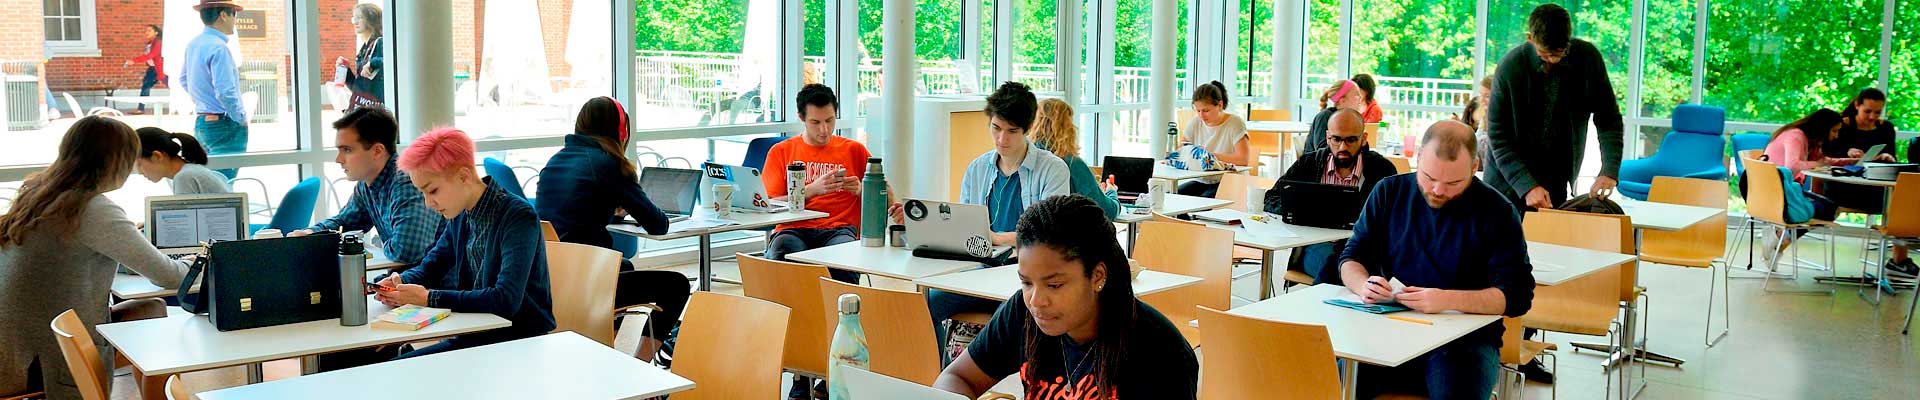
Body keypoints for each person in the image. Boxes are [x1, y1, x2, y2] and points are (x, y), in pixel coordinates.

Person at [1339, 120, 1534, 399]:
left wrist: (1447, 300)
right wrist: (1363, 286)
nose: (1438, 190)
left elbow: (1517, 296)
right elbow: (1351, 257)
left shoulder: (1498, 211)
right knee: (1329, 377)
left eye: (1453, 182)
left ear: (1474, 167)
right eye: (1429, 177)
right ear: (1419, 158)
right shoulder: (1389, 192)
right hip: (1388, 329)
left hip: (1463, 343)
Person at [933, 195, 1199, 399]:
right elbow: (959, 377)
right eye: (1026, 282)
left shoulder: (1160, 353)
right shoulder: (1023, 312)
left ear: (1097, 276)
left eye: (1055, 285)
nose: (1036, 300)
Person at [1, 116, 191, 400]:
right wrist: (197, 260)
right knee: (154, 323)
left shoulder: (37, 193)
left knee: (150, 310)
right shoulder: (91, 208)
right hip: (42, 360)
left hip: (13, 350)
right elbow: (169, 276)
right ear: (118, 161)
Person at [363, 127, 553, 360]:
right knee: (383, 364)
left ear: (463, 176)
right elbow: (432, 265)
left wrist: (427, 298)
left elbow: (506, 300)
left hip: (517, 342)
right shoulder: (462, 214)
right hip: (476, 333)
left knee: (396, 368)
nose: (428, 203)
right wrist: (399, 282)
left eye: (432, 191)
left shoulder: (517, 216)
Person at [536, 96, 689, 362]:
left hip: (552, 278)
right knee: (676, 285)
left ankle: (609, 351)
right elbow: (658, 224)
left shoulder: (556, 161)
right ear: (621, 131)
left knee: (626, 266)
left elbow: (576, 210)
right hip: (589, 281)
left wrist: (610, 209)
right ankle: (640, 369)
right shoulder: (607, 163)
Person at [932, 81, 1071, 362]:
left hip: (1025, 277)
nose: (1002, 139)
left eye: (1011, 131)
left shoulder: (1052, 169)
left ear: (1028, 129)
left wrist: (997, 238)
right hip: (979, 269)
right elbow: (964, 222)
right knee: (928, 302)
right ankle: (939, 376)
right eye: (996, 128)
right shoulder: (978, 168)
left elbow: (1048, 235)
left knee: (1008, 320)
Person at [1485, 3, 1625, 211]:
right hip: (1507, 181)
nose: (1553, 60)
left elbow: (1609, 120)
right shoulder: (1510, 67)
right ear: (1529, 38)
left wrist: (1609, 170)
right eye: (1545, 54)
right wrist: (1527, 186)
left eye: (1560, 53)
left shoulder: (1587, 59)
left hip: (1556, 177)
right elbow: (1498, 136)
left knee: (1550, 240)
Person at [760, 84, 902, 284]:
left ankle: (843, 312)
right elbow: (770, 204)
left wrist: (863, 190)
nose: (824, 129)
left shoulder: (854, 150)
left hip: (839, 229)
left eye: (829, 120)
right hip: (792, 228)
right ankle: (792, 312)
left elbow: (886, 196)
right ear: (801, 118)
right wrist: (810, 191)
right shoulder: (781, 151)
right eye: (815, 122)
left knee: (842, 260)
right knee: (785, 253)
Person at [289, 107, 445, 264]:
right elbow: (346, 222)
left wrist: (376, 246)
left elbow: (407, 251)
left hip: (436, 285)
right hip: (406, 281)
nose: (339, 159)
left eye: (347, 150)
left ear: (377, 151)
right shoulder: (367, 184)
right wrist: (311, 233)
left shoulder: (406, 183)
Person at [1273, 109, 1397, 285]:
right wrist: (1301, 211)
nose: (1343, 147)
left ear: (1364, 138)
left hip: (1364, 247)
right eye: (1336, 139)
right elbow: (1272, 197)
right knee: (1337, 269)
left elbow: (1394, 215)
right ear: (1327, 137)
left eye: (1351, 140)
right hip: (1317, 245)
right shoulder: (1309, 163)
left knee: (1370, 271)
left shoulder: (1382, 170)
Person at [181, 0, 250, 179]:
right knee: (223, 184)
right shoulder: (219, 48)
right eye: (234, 14)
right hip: (224, 123)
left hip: (203, 121)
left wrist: (204, 99)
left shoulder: (194, 44)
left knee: (207, 182)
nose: (235, 20)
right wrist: (240, 118)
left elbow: (183, 79)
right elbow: (225, 91)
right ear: (223, 15)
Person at [1031, 98, 1121, 220]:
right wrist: (1112, 193)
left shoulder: (1027, 158)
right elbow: (1106, 211)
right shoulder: (1073, 164)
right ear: (1067, 128)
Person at [1176, 81, 1253, 198]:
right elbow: (1182, 150)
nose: (1201, 115)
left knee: (1203, 202)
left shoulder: (1235, 123)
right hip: (1203, 180)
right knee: (1173, 197)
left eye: (1206, 110)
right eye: (1198, 110)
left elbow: (1243, 159)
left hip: (1229, 180)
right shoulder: (1196, 122)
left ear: (1220, 105)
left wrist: (1209, 156)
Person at [135, 127, 230, 195]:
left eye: (139, 164)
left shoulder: (184, 177)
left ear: (157, 156)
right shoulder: (188, 171)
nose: (139, 172)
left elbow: (186, 220)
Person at [1303, 79, 1372, 152]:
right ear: (1342, 100)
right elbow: (1322, 150)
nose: (1360, 98)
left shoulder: (1352, 119)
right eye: (1356, 94)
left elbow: (1364, 149)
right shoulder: (1325, 116)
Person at [337, 2, 385, 105]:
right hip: (368, 109)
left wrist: (372, 63)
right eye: (354, 18)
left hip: (379, 111)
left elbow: (395, 62)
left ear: (371, 19)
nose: (355, 22)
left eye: (359, 18)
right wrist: (346, 72)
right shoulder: (363, 50)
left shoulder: (381, 42)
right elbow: (359, 90)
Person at [123, 25, 165, 115]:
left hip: (160, 68)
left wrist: (134, 61)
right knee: (145, 86)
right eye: (146, 30)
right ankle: (141, 109)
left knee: (172, 85)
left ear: (156, 32)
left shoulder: (158, 42)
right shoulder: (150, 43)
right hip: (152, 69)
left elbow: (152, 55)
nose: (146, 32)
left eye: (149, 30)